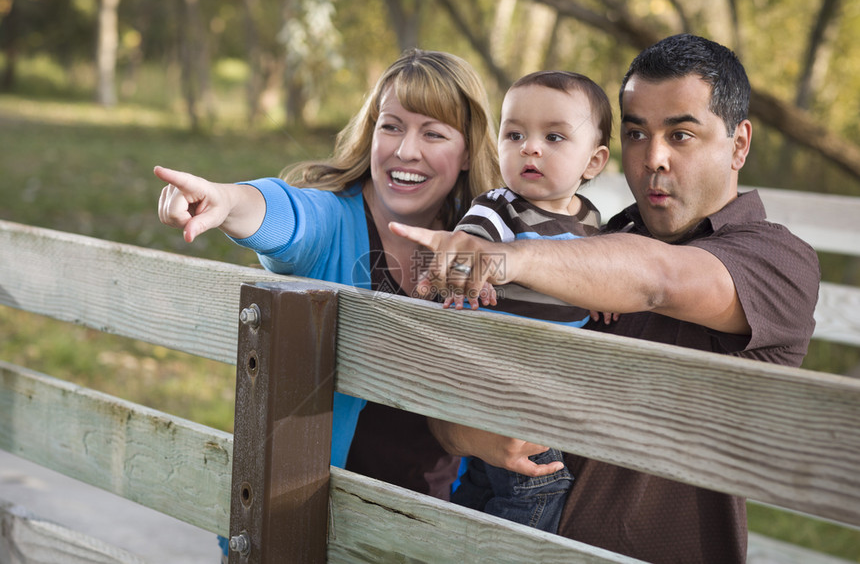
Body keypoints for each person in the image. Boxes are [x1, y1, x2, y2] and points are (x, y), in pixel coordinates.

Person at [390, 34, 820, 562]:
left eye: (682, 135)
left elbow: (658, 278)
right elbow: (448, 414)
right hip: (513, 535)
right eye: (638, 133)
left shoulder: (777, 259)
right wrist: (470, 436)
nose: (654, 157)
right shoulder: (593, 238)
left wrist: (506, 258)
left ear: (738, 144)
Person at [154, 49, 502, 558]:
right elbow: (284, 215)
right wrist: (227, 201)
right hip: (305, 528)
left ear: (468, 151)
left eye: (434, 133)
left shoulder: (482, 239)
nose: (406, 150)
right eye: (392, 127)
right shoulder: (331, 221)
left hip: (423, 531)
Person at [449, 70, 611, 534]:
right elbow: (464, 249)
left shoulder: (592, 220)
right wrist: (465, 269)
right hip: (508, 376)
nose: (530, 147)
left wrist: (600, 294)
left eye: (554, 136)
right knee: (539, 484)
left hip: (550, 380)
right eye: (514, 134)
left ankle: (459, 537)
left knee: (486, 481)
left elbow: (602, 273)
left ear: (594, 162)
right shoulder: (499, 208)